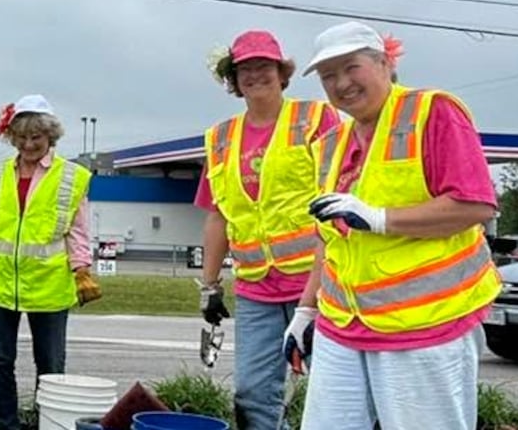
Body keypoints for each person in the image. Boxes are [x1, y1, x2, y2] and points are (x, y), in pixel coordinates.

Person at [285, 21, 502, 430]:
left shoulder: (432, 112)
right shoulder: (330, 143)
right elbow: (329, 238)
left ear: (384, 63)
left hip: (426, 324)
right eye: (329, 75)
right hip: (342, 325)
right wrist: (306, 309)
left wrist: (381, 219)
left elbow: (475, 205)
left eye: (351, 67)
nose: (341, 83)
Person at [195, 30, 339, 429]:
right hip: (256, 288)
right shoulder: (220, 138)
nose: (255, 75)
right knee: (252, 394)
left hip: (318, 282)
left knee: (331, 389)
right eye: (245, 69)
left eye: (264, 66)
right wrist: (209, 287)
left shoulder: (315, 118)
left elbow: (342, 194)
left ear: (282, 72)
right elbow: (217, 215)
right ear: (234, 80)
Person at [0, 94, 101, 430]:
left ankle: (47, 423)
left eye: (37, 137)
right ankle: (7, 425)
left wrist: (83, 272)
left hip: (49, 288)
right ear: (11, 137)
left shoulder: (71, 177)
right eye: (21, 137)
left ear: (51, 137)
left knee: (50, 367)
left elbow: (76, 232)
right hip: (0, 286)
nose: (29, 144)